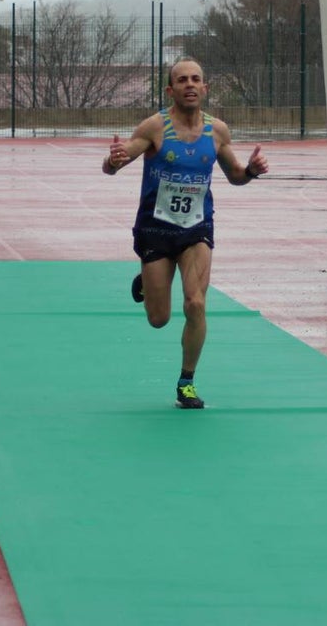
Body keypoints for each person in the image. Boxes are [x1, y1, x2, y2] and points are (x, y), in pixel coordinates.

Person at [102, 58, 269, 408]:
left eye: (196, 79)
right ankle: (147, 283)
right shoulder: (154, 127)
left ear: (205, 88)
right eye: (182, 80)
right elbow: (116, 163)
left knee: (195, 303)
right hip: (155, 229)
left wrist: (251, 171)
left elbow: (235, 176)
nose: (189, 85)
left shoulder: (217, 131)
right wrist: (113, 160)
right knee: (158, 319)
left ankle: (186, 382)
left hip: (196, 229)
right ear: (170, 90)